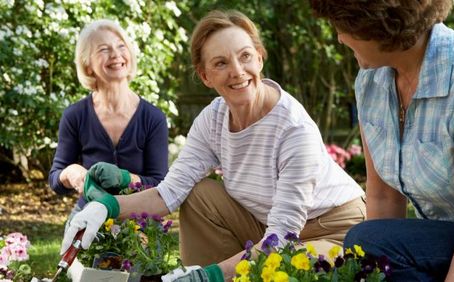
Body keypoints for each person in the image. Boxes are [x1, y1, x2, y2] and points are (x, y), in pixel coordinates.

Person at [61, 10, 366, 281]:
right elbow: (170, 193)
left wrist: (210, 275)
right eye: (221, 63)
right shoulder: (213, 120)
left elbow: (282, 239)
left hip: (334, 229)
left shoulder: (294, 129)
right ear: (205, 76)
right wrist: (105, 207)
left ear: (259, 57)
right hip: (266, 226)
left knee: (290, 268)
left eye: (245, 56)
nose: (237, 70)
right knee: (197, 192)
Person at [309, 0, 454, 281]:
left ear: (375, 24)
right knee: (368, 249)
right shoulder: (370, 81)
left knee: (369, 241)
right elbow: (383, 197)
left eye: (342, 24)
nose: (338, 36)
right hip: (451, 245)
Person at [48, 19, 168, 224]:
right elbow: (55, 179)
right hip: (88, 215)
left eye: (121, 46)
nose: (116, 55)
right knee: (72, 255)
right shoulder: (75, 116)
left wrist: (125, 178)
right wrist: (71, 173)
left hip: (138, 220)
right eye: (104, 49)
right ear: (88, 66)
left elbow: (160, 185)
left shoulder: (153, 118)